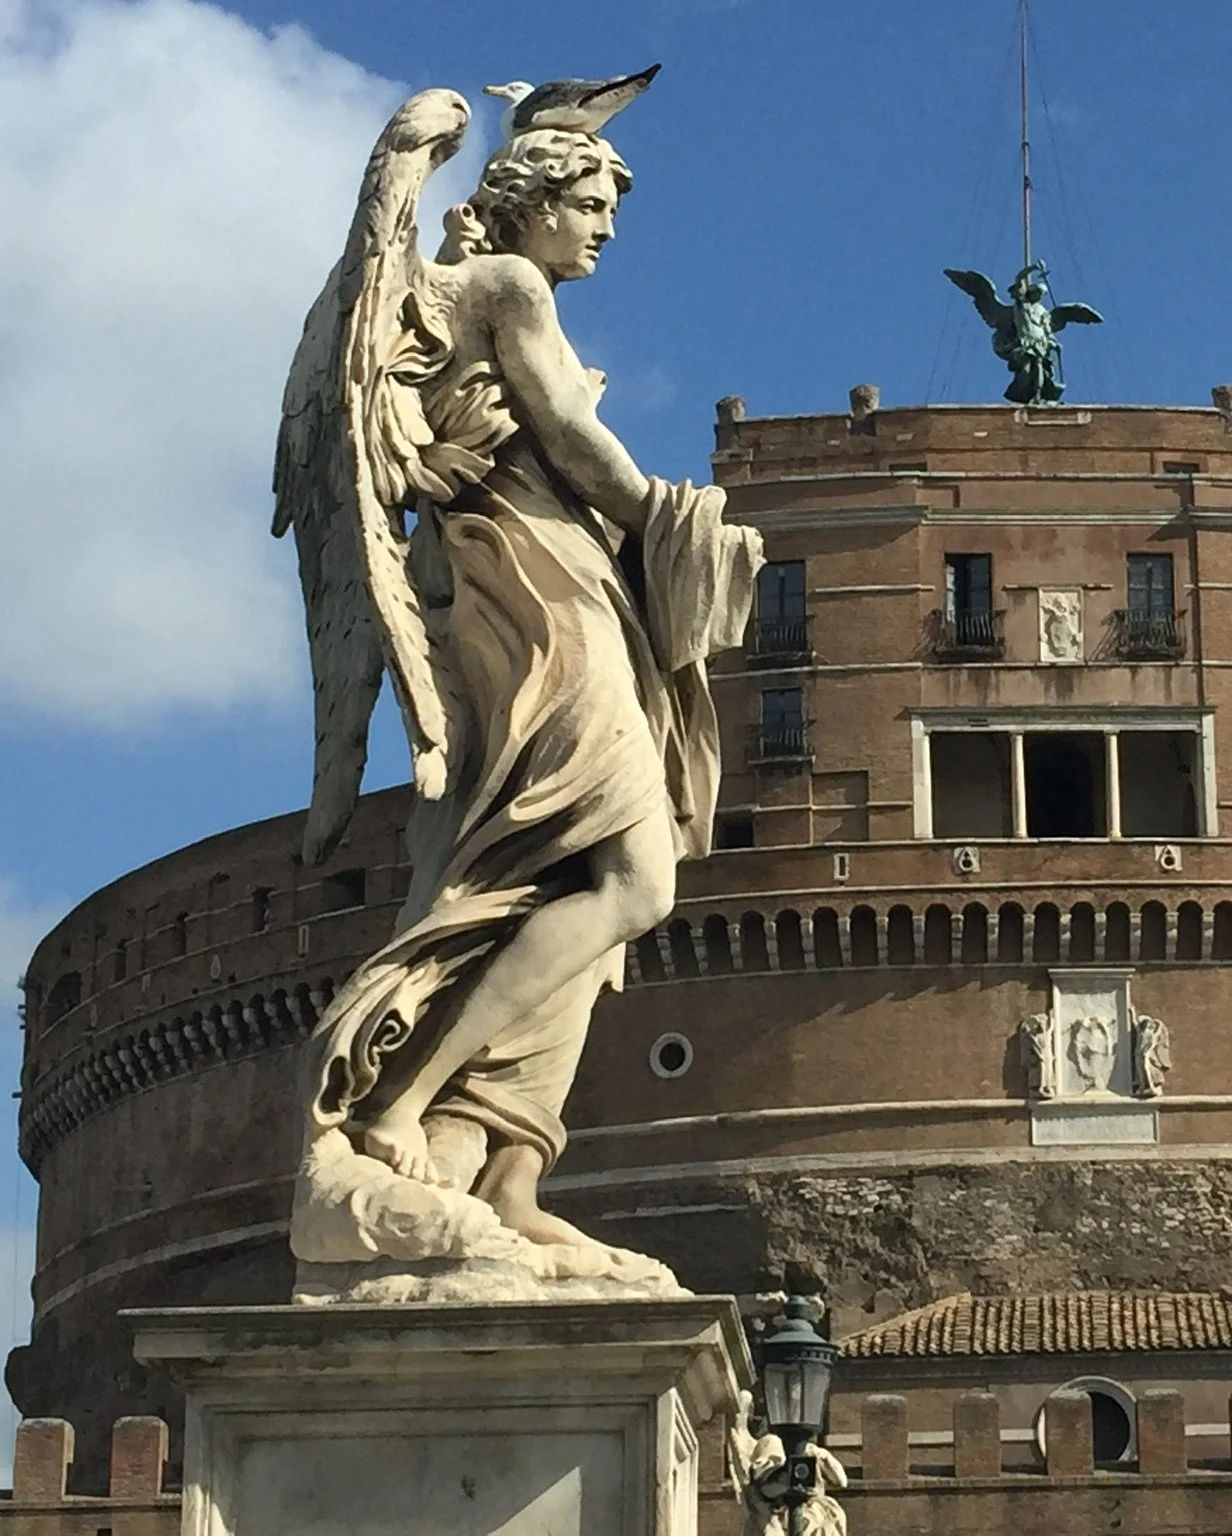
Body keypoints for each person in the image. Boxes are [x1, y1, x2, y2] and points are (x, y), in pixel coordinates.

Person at [288, 109, 762, 1257]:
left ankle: (505, 1175)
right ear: (531, 199)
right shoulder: (501, 284)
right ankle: (401, 1105)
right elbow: (570, 439)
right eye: (589, 204)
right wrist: (678, 520)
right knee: (634, 874)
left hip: (544, 573)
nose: (602, 228)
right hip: (536, 589)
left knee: (576, 890)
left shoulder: (457, 294)